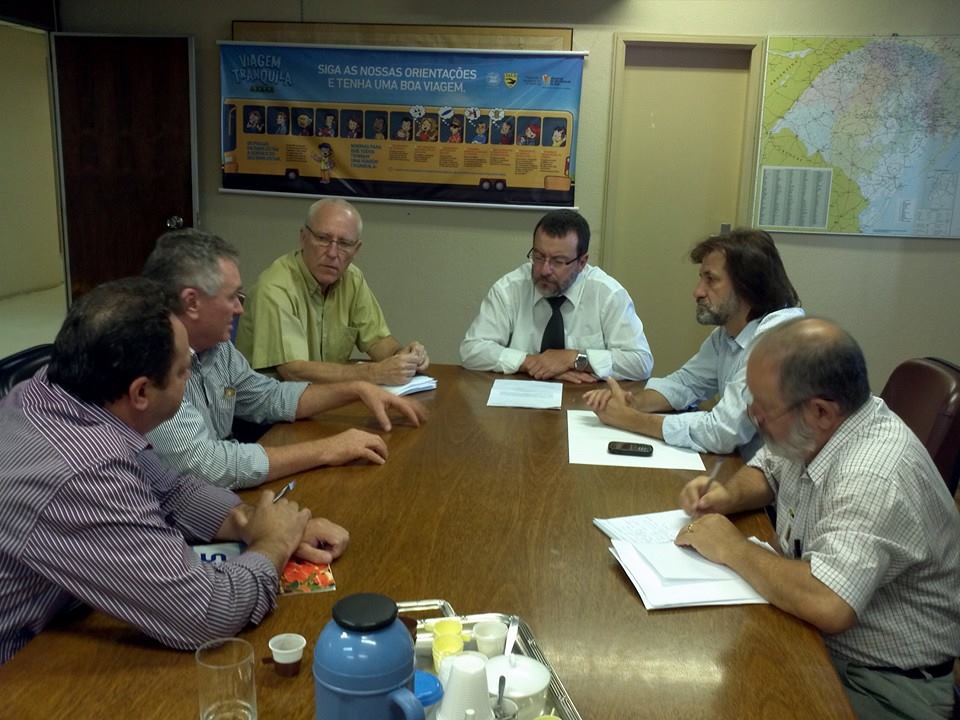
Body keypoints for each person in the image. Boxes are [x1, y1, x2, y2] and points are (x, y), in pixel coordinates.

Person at [0, 277, 350, 664]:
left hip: (64, 614)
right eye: (184, 372)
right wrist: (275, 543)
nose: (190, 378)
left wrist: (252, 521)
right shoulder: (82, 470)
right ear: (141, 392)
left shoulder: (53, 390)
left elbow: (171, 490)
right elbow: (205, 614)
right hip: (21, 667)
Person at [676, 317, 960, 720]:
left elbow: (829, 602)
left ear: (821, 411)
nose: (753, 415)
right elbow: (769, 469)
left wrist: (732, 548)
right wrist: (727, 495)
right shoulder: (818, 426)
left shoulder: (873, 474)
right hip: (816, 641)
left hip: (882, 683)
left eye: (763, 408)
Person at [144, 228, 427, 490]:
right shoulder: (151, 363)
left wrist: (355, 390)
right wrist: (326, 449)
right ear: (191, 302)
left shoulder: (217, 348)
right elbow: (209, 466)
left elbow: (269, 397)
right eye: (232, 297)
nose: (240, 309)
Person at [584, 229, 803, 457]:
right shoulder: (727, 334)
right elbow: (686, 384)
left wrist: (631, 420)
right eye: (701, 278)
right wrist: (631, 403)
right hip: (743, 466)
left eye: (711, 279)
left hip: (773, 477)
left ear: (748, 285)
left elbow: (722, 431)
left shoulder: (779, 339)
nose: (697, 292)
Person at [236, 199, 430, 386]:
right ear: (303, 238)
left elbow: (378, 341)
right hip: (270, 404)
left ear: (356, 249)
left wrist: (404, 357)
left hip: (323, 397)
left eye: (344, 243)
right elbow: (293, 371)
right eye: (323, 239)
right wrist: (374, 372)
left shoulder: (352, 279)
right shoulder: (275, 287)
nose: (332, 253)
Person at [459, 209, 653, 383]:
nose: (544, 270)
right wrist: (531, 362)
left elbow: (641, 362)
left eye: (558, 261)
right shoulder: (510, 289)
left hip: (586, 401)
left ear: (582, 262)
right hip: (519, 398)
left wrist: (574, 359)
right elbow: (472, 350)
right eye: (538, 256)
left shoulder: (608, 294)